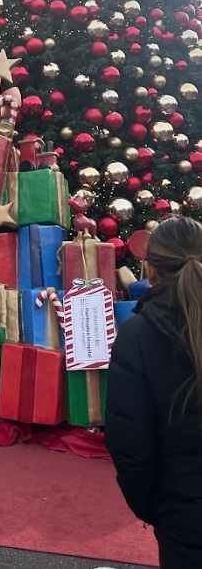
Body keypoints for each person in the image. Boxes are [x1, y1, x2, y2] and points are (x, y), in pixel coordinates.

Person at [105, 215, 202, 569]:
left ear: (149, 268)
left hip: (184, 514)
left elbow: (131, 445)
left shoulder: (137, 335)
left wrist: (154, 508)